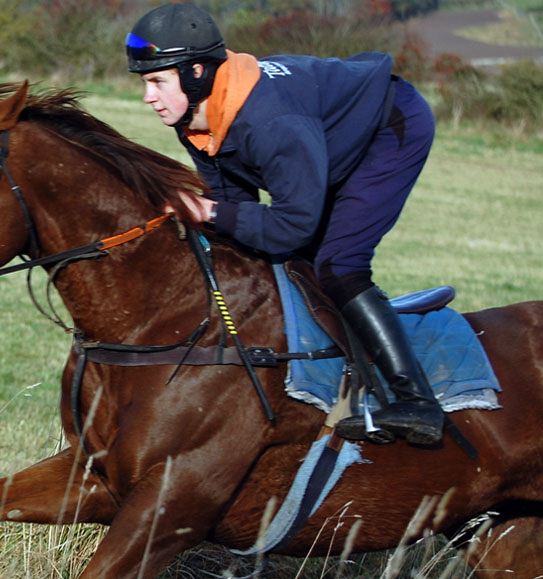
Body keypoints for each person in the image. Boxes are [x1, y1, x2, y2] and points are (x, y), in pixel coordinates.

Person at [125, 3, 444, 446]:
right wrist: (213, 217)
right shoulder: (195, 117)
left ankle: (417, 403)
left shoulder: (270, 122)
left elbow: (292, 223)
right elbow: (235, 206)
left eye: (157, 81)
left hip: (391, 128)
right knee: (277, 253)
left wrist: (208, 213)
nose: (148, 96)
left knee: (338, 265)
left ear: (195, 72)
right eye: (145, 82)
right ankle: (338, 379)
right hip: (323, 134)